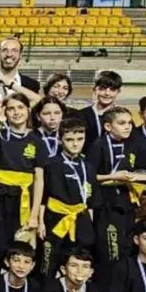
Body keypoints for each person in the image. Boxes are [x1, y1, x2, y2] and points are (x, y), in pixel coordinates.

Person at [0, 93, 47, 274]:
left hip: (23, 199)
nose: (16, 112)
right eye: (11, 108)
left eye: (20, 108)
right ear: (5, 111)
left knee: (20, 248)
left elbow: (39, 181)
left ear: (28, 110)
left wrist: (34, 215)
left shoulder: (37, 141)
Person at [88, 106, 146, 284]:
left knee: (125, 247)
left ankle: (121, 289)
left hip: (127, 203)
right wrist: (113, 177)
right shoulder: (98, 146)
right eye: (122, 123)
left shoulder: (133, 144)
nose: (127, 127)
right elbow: (89, 176)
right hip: (106, 205)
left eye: (129, 123)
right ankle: (105, 291)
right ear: (108, 126)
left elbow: (140, 169)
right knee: (110, 250)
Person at [36, 117, 98, 278]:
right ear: (60, 140)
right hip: (54, 219)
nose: (75, 144)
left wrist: (89, 225)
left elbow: (91, 202)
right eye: (70, 140)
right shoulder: (51, 164)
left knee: (78, 263)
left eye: (80, 139)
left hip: (80, 219)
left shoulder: (89, 167)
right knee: (48, 264)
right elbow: (43, 196)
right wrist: (40, 222)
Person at [81, 70, 123, 150]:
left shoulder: (124, 115)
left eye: (112, 89)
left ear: (118, 92)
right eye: (102, 88)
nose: (107, 93)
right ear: (94, 90)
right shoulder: (82, 115)